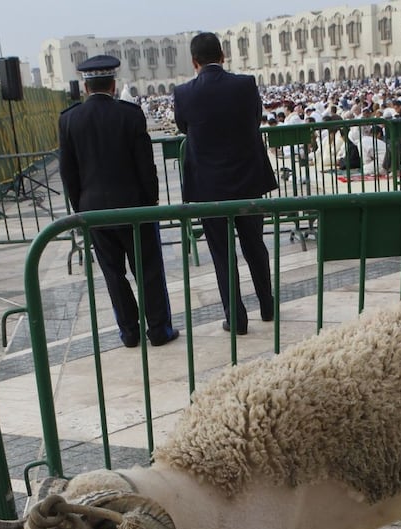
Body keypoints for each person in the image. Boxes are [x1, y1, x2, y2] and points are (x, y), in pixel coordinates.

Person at [58, 55, 179, 348]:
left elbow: (68, 172)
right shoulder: (130, 114)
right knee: (148, 270)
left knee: (113, 274)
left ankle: (129, 332)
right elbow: (146, 167)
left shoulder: (69, 119)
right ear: (114, 85)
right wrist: (150, 204)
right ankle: (159, 329)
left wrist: (81, 207)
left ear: (85, 87)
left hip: (94, 211)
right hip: (135, 207)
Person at [173, 32, 278, 334]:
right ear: (223, 56)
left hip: (209, 187)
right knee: (255, 245)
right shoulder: (245, 85)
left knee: (222, 253)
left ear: (194, 62)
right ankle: (267, 306)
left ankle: (236, 317)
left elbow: (184, 127)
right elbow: (255, 118)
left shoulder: (183, 93)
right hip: (247, 180)